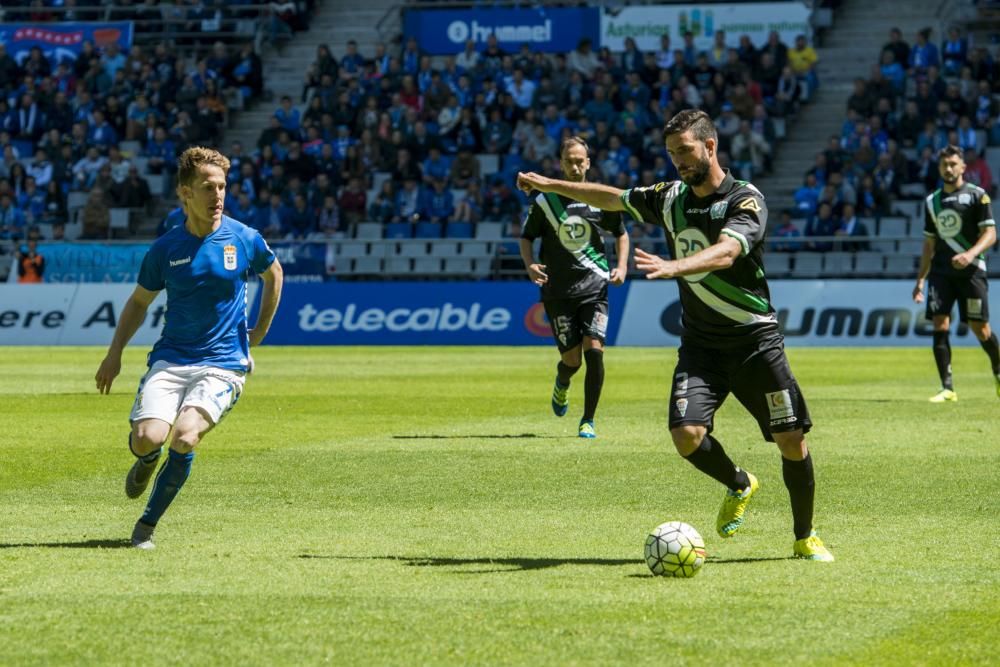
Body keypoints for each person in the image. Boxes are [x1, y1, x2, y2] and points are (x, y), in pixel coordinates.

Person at [517, 110, 834, 561]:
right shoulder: (668, 197)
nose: (678, 162)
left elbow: (727, 252)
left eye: (684, 151)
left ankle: (805, 536)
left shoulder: (745, 199)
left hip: (754, 342)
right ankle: (740, 483)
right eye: (671, 154)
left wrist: (675, 267)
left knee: (791, 441)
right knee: (685, 435)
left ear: (710, 146)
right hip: (701, 346)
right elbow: (611, 198)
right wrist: (551, 185)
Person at [94, 147, 284, 549]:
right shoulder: (166, 248)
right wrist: (114, 354)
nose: (218, 196)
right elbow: (139, 303)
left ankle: (145, 527)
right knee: (148, 437)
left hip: (224, 363)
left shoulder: (243, 238)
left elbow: (275, 274)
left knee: (184, 436)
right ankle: (146, 460)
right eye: (207, 188)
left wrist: (259, 332)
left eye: (222, 187)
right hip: (172, 358)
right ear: (185, 192)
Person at [519, 136, 629, 439]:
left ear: (589, 162)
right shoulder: (545, 201)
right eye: (569, 160)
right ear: (561, 163)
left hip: (595, 287)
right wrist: (529, 265)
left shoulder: (600, 197)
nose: (575, 165)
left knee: (595, 351)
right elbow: (526, 237)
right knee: (572, 360)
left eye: (580, 160)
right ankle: (562, 381)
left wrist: (621, 266)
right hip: (558, 291)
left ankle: (588, 420)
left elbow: (621, 233)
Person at [912, 145, 999, 402]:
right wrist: (920, 279)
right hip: (940, 273)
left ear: (963, 167)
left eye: (953, 164)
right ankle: (947, 387)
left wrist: (970, 254)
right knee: (940, 322)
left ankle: (998, 370)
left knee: (980, 328)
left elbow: (991, 234)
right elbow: (929, 244)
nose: (948, 169)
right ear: (939, 168)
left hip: (972, 271)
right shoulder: (932, 201)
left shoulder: (978, 196)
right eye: (944, 165)